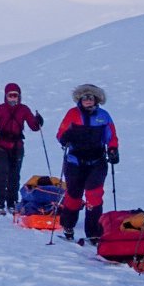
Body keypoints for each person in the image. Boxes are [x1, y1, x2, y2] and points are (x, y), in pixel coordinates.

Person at [54, 84, 119, 241]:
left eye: (91, 97)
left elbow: (111, 136)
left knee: (94, 195)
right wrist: (65, 138)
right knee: (73, 195)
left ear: (96, 99)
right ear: (80, 99)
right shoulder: (72, 114)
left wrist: (113, 150)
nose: (88, 100)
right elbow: (61, 133)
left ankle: (94, 233)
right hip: (75, 161)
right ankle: (68, 225)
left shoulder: (104, 116)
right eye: (85, 97)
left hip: (97, 161)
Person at [0, 82, 43, 215]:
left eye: (15, 95)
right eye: (10, 95)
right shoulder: (0, 109)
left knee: (15, 175)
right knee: (2, 172)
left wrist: (38, 122)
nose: (13, 98)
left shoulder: (24, 109)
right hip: (0, 145)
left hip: (17, 146)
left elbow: (34, 127)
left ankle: (12, 202)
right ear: (6, 96)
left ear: (19, 97)